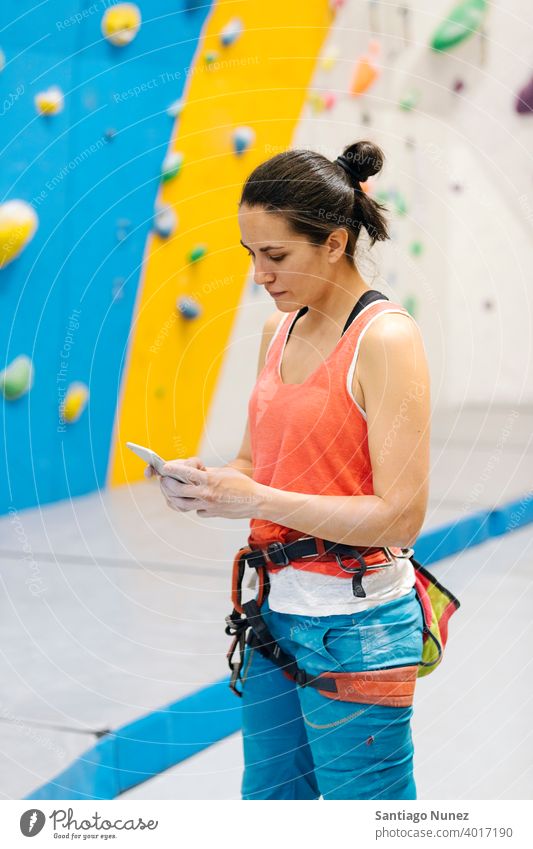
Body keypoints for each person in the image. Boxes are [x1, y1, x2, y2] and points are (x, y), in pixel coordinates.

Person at [146, 140, 431, 800]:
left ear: (333, 242)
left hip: (357, 629)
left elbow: (399, 513)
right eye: (250, 254)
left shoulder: (384, 339)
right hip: (276, 612)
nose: (259, 274)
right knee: (272, 806)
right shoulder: (278, 332)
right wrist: (209, 483)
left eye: (275, 256)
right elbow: (256, 461)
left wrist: (258, 494)